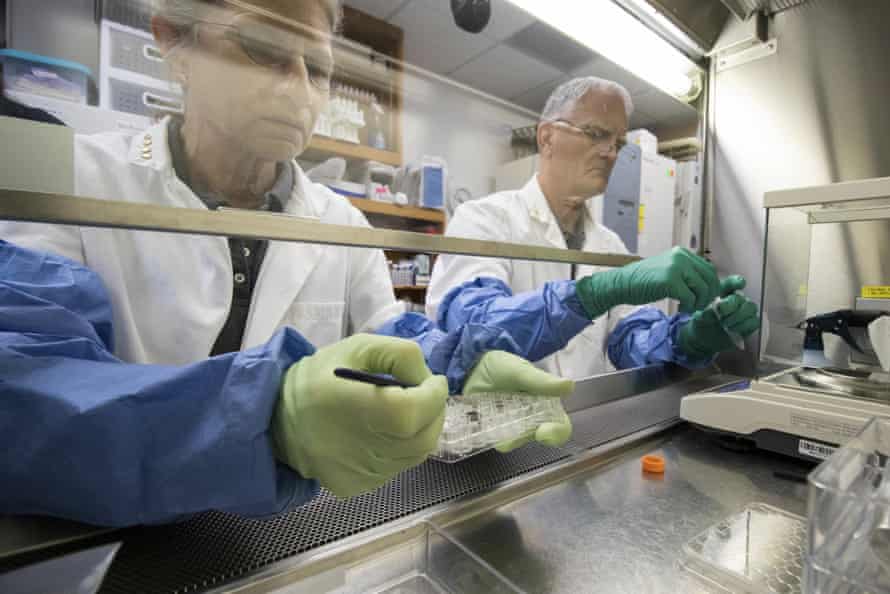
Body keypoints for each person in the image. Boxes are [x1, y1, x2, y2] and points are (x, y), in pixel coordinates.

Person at [0, 0, 571, 527]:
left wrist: (456, 373)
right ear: (176, 43)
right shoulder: (70, 180)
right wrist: (267, 419)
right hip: (110, 546)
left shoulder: (343, 225)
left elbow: (389, 342)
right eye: (264, 50)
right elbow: (26, 396)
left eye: (317, 69)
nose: (298, 87)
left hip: (287, 543)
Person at [427, 77, 761, 380]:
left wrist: (690, 339)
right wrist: (594, 293)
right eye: (596, 134)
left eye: (618, 143)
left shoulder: (610, 245)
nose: (610, 153)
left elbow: (630, 341)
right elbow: (471, 332)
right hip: (498, 433)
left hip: (584, 430)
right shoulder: (483, 219)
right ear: (547, 137)